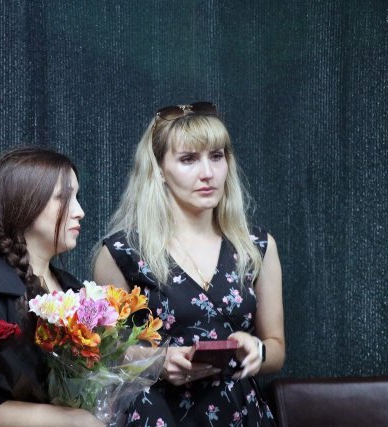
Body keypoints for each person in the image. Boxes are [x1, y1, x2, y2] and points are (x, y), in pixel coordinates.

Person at [93, 103, 284, 426]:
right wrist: (157, 361)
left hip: (239, 414)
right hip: (159, 414)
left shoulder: (256, 247)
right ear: (159, 170)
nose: (208, 173)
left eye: (216, 156)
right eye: (188, 159)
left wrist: (257, 350)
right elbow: (103, 354)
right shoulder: (122, 253)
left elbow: (276, 349)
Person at [0, 146, 103, 427]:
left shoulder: (73, 288)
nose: (80, 212)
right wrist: (66, 420)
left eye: (77, 198)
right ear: (25, 203)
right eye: (64, 198)